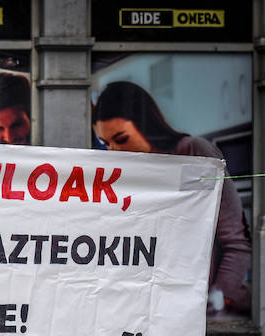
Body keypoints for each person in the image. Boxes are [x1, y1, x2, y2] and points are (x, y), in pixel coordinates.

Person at [93, 81, 252, 314]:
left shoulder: (193, 152)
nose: (115, 151)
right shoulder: (124, 175)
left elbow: (237, 241)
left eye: (122, 139)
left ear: (145, 126)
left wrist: (218, 295)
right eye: (106, 144)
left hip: (213, 309)